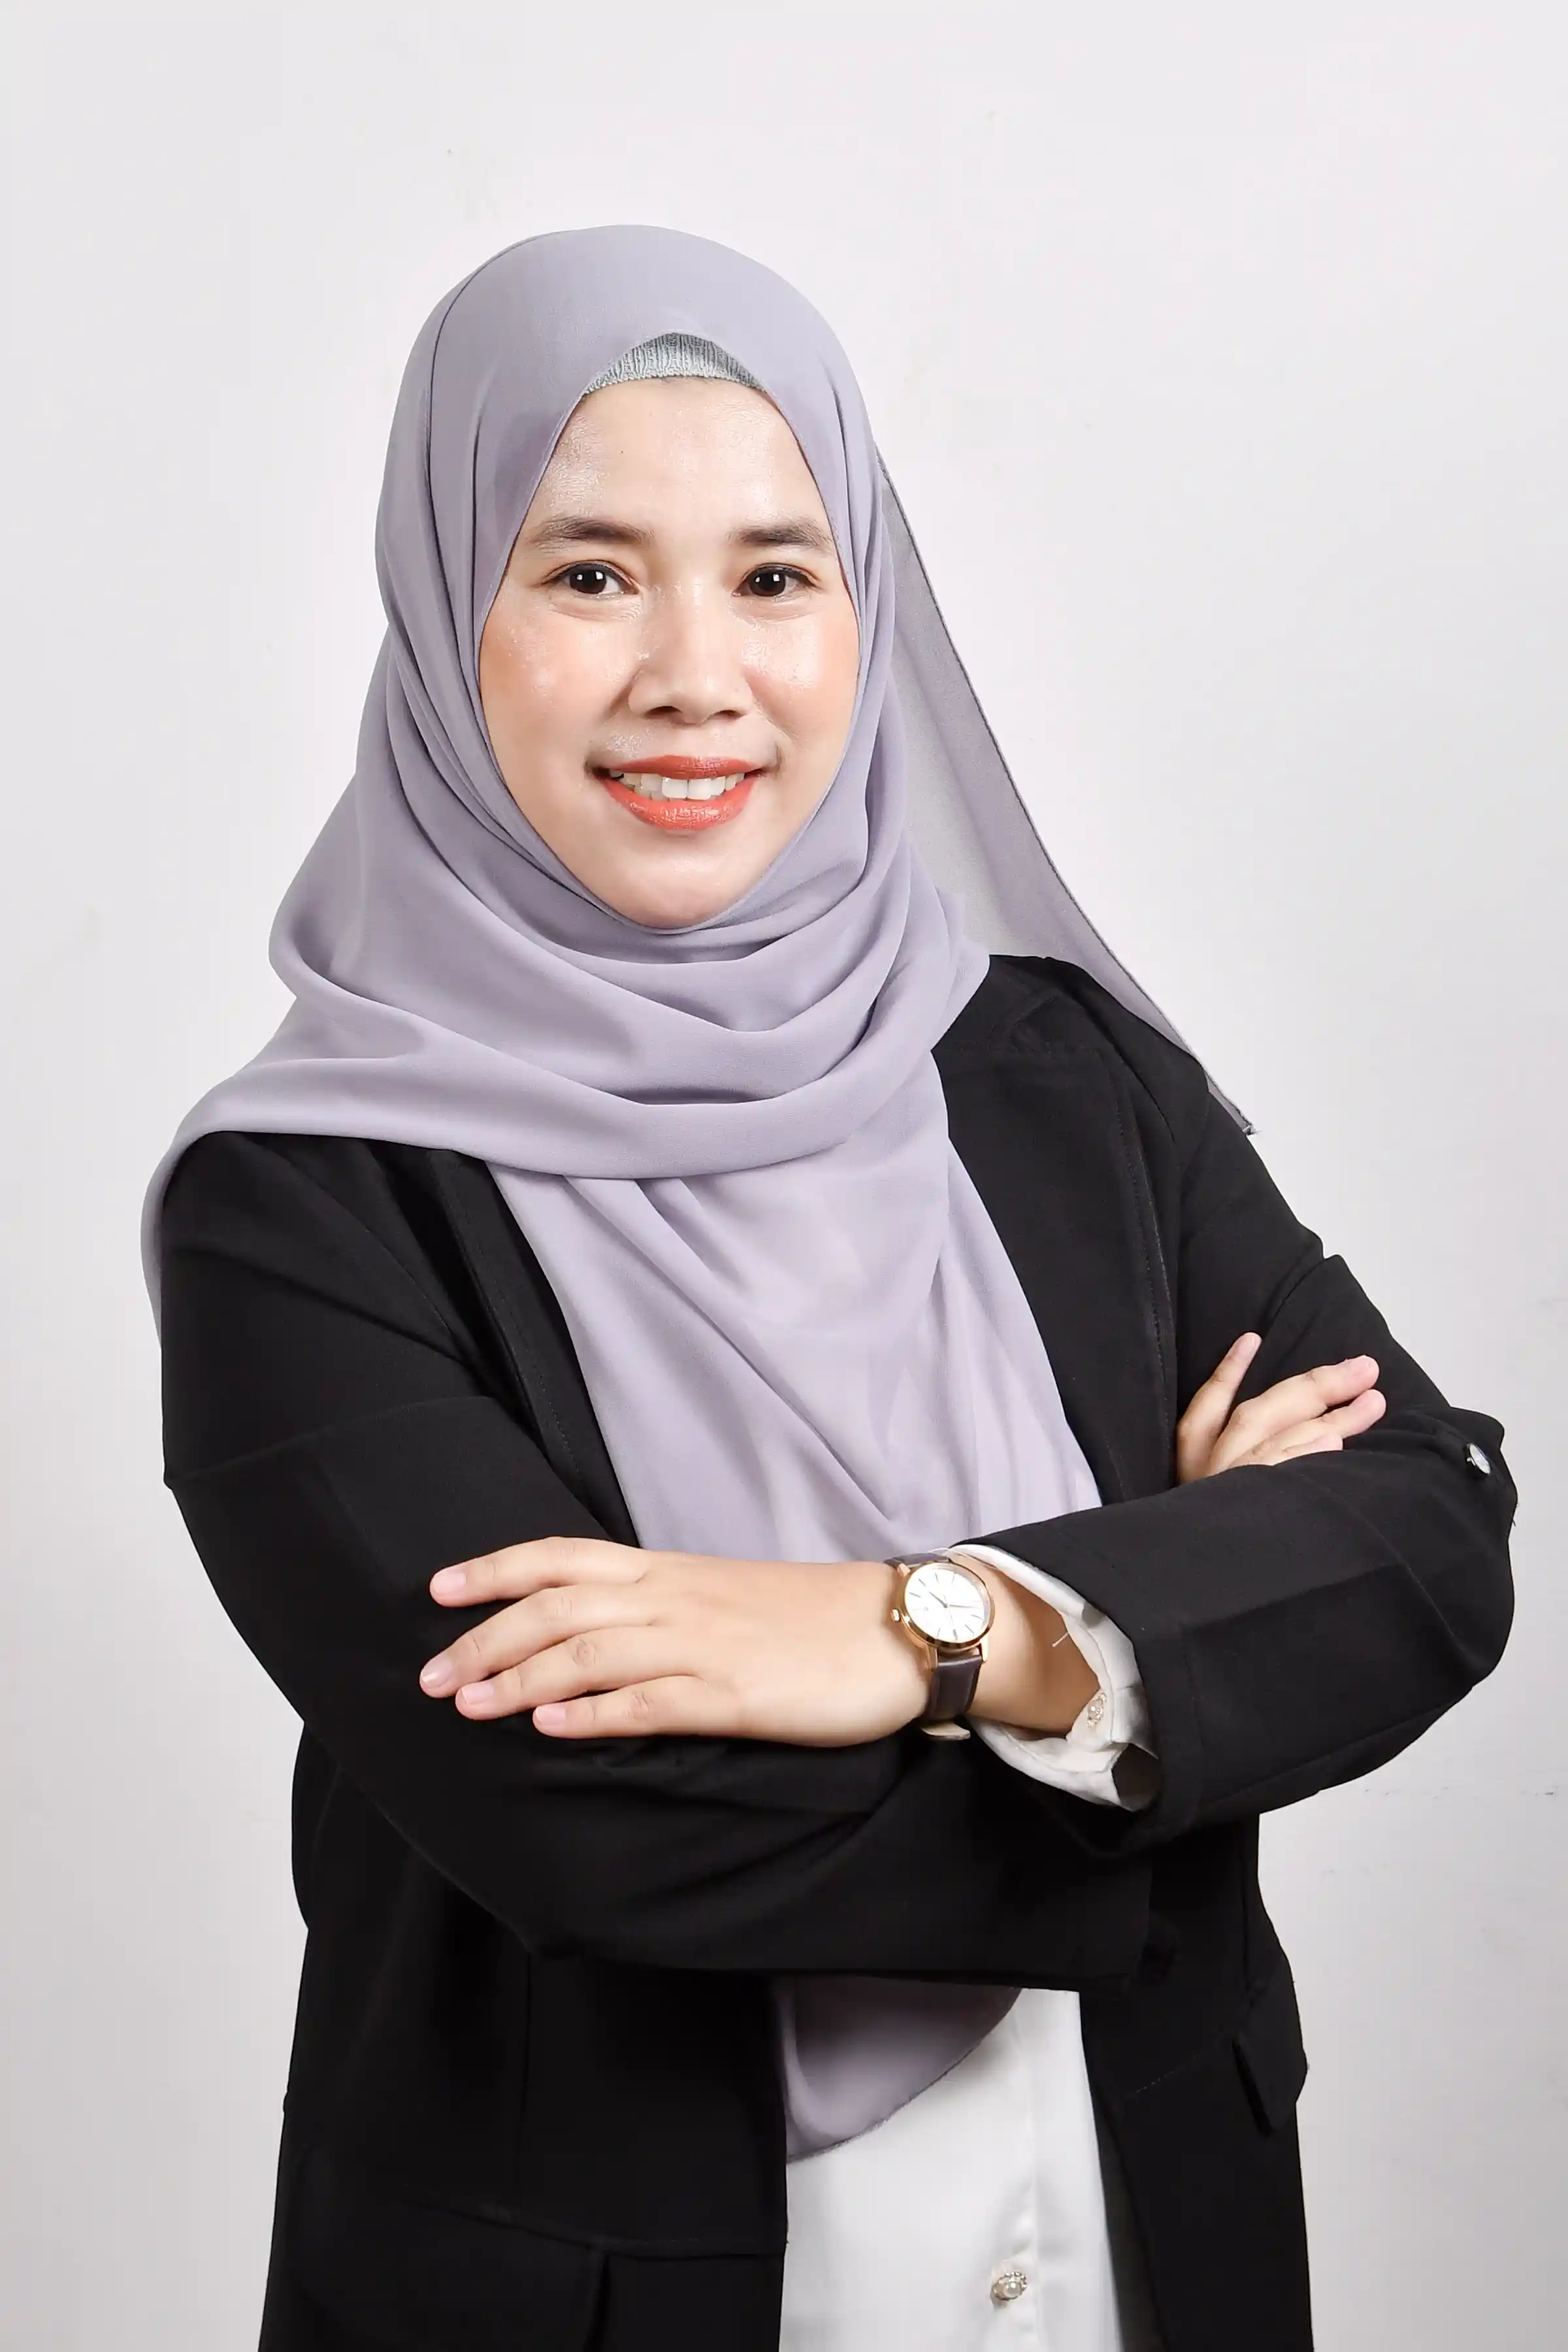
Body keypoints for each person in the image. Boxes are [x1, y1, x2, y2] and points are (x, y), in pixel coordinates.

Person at [142, 225, 1516, 2352]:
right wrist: (1165, 1668)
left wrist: (901, 1630)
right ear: (443, 606)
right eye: (589, 573)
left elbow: (1428, 1534)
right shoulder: (300, 1206)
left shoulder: (1057, 1071)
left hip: (1153, 2248)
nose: (697, 674)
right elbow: (601, 1831)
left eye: (777, 574)